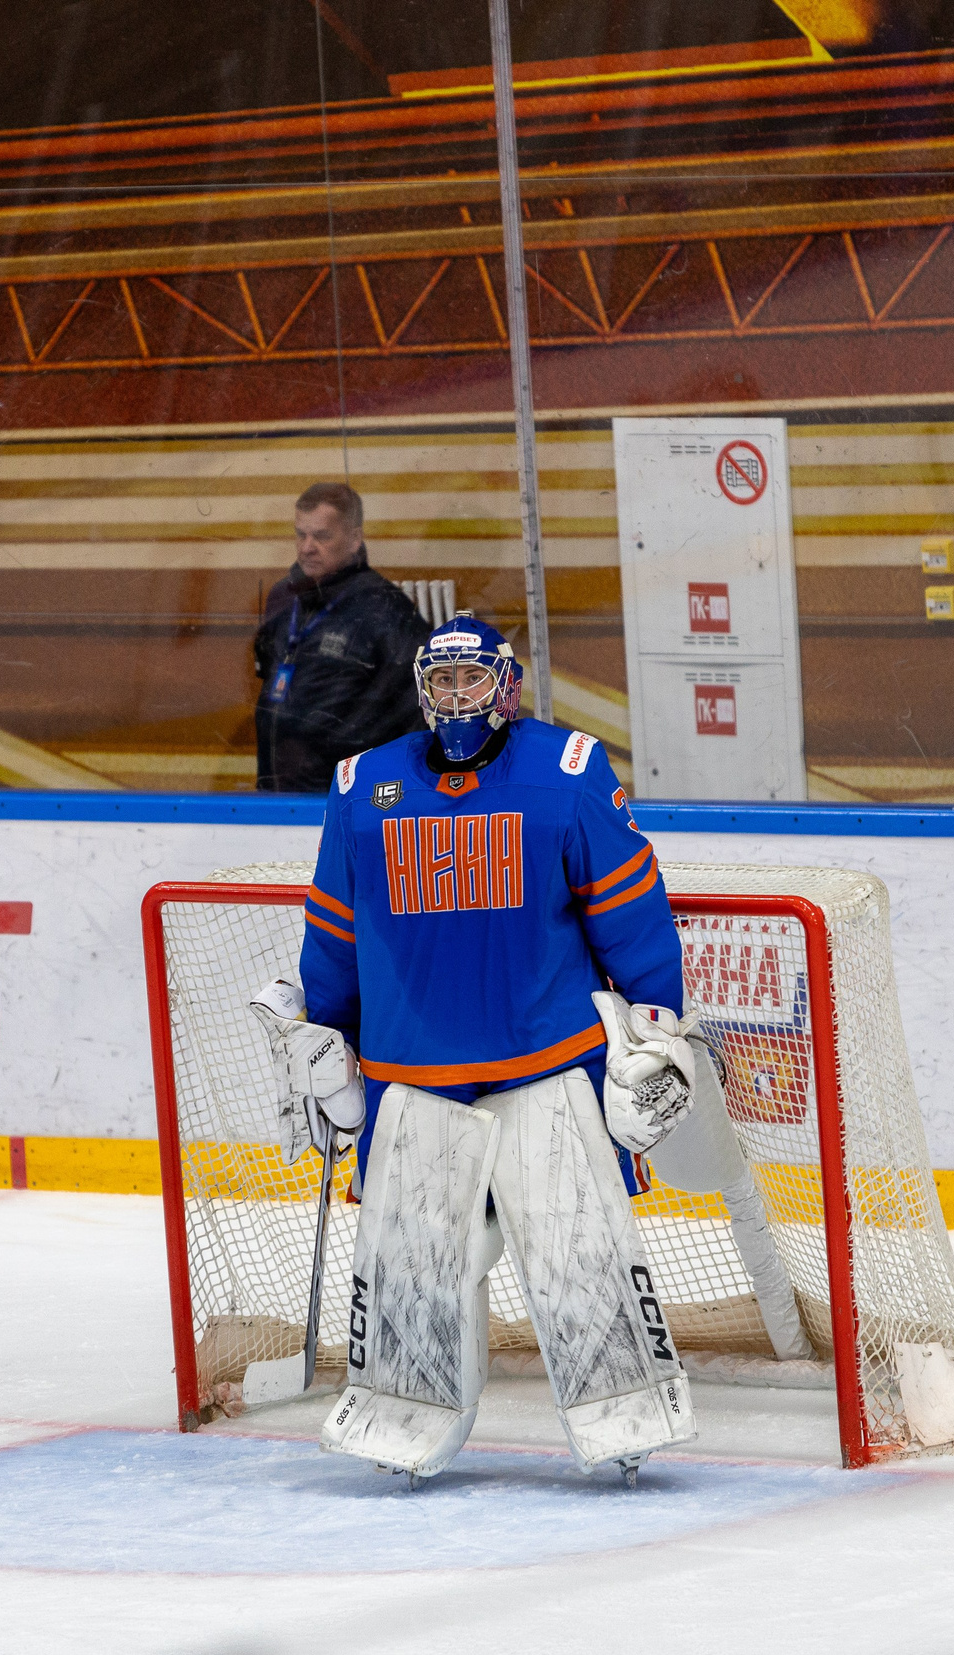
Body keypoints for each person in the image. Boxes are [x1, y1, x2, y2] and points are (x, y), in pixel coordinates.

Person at [263, 614, 705, 1486]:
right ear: (423, 690)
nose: (458, 698)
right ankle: (402, 1419)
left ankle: (627, 1413)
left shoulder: (567, 773)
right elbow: (335, 934)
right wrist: (332, 1035)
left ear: (506, 683)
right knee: (414, 1273)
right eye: (443, 682)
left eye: (473, 681)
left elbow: (631, 911)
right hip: (412, 1076)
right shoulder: (362, 786)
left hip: (547, 1064)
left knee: (581, 1253)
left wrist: (655, 1028)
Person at [252, 482, 429, 793]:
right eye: (300, 534)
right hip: (275, 794)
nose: (306, 547)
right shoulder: (282, 598)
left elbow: (415, 716)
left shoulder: (387, 609)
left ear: (354, 539)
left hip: (347, 799)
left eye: (321, 536)